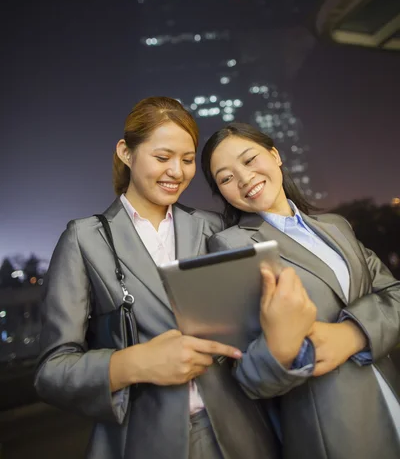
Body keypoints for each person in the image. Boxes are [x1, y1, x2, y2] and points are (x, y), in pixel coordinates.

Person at [36, 97, 311, 459]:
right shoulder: (85, 239)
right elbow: (52, 372)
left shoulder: (215, 228)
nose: (177, 172)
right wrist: (135, 363)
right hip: (144, 440)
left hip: (242, 431)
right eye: (163, 157)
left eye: (186, 160)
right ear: (126, 152)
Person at [201, 122, 400, 459]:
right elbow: (247, 374)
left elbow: (393, 293)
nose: (244, 178)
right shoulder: (232, 246)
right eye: (225, 178)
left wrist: (353, 335)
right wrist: (288, 347)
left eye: (249, 160)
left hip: (390, 393)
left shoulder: (336, 226)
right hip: (332, 430)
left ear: (275, 155)